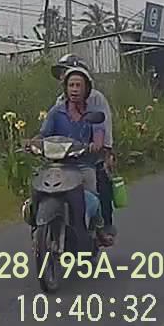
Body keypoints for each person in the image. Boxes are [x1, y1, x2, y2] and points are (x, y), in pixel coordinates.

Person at [33, 66, 108, 248]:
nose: (74, 89)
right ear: (65, 88)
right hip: (56, 165)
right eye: (71, 85)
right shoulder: (56, 112)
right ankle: (37, 226)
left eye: (78, 85)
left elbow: (99, 132)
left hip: (82, 165)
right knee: (36, 188)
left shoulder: (92, 113)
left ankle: (98, 230)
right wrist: (34, 143)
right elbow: (43, 134)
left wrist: (96, 144)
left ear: (86, 89)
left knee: (91, 199)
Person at [51, 54, 116, 241]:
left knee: (100, 185)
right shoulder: (59, 102)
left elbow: (103, 125)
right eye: (62, 75)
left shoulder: (96, 98)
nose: (63, 77)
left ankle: (102, 227)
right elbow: (51, 128)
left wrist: (105, 150)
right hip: (65, 156)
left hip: (90, 154)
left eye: (66, 71)